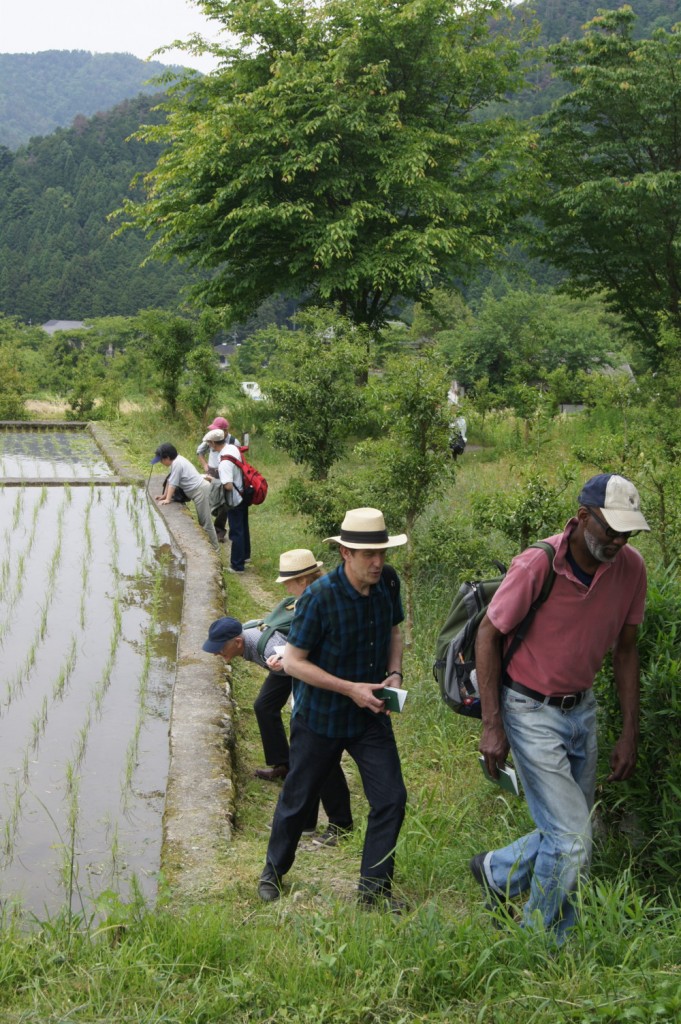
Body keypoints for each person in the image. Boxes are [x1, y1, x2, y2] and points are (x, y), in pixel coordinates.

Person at [473, 473, 649, 942]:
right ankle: (539, 939)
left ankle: (496, 871)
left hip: (582, 709)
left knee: (572, 833)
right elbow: (487, 635)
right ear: (582, 517)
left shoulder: (631, 569)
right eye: (610, 529)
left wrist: (630, 731)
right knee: (571, 838)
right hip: (528, 708)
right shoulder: (539, 563)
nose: (618, 541)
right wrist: (493, 725)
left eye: (627, 532)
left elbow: (626, 650)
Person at [257, 507, 408, 910]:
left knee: (391, 798)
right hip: (320, 717)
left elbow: (394, 630)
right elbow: (293, 662)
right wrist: (350, 689)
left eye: (382, 552)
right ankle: (272, 870)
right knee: (298, 798)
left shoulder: (388, 583)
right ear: (345, 553)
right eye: (367, 554)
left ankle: (373, 893)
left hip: (369, 716)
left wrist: (394, 673)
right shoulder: (319, 598)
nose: (377, 562)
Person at [202, 607, 353, 843]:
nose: (217, 653)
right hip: (284, 667)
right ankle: (284, 766)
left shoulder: (267, 648)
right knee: (265, 707)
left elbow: (309, 667)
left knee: (312, 749)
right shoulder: (250, 635)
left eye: (220, 647)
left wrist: (303, 707)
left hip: (302, 673)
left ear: (238, 642)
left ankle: (333, 822)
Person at [151, 443, 220, 551]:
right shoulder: (176, 461)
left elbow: (173, 484)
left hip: (200, 491)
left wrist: (168, 499)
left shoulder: (177, 463)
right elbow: (170, 480)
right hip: (197, 491)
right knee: (203, 522)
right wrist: (164, 495)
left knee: (205, 522)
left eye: (161, 460)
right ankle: (210, 547)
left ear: (167, 458)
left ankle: (215, 550)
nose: (160, 462)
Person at [203, 428, 249, 572]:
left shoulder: (224, 463)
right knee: (243, 528)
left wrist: (213, 480)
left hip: (234, 499)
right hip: (244, 493)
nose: (210, 446)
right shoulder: (233, 448)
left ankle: (237, 566)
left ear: (213, 443)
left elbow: (228, 486)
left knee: (236, 532)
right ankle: (245, 556)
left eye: (209, 444)